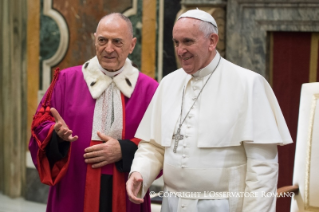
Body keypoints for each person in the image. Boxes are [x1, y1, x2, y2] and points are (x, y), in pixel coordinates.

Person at [126, 9, 292, 212]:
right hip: (171, 203)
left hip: (222, 205)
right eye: (176, 42)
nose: (180, 50)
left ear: (212, 41)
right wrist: (140, 171)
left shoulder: (248, 84)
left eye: (187, 41)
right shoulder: (169, 83)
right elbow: (153, 146)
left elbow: (262, 167)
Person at [29, 13, 158, 212]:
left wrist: (123, 150)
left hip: (125, 188)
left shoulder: (150, 89)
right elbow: (40, 125)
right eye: (102, 40)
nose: (109, 49)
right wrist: (55, 134)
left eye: (117, 42)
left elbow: (160, 142)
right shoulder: (65, 80)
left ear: (132, 45)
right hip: (75, 185)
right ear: (94, 40)